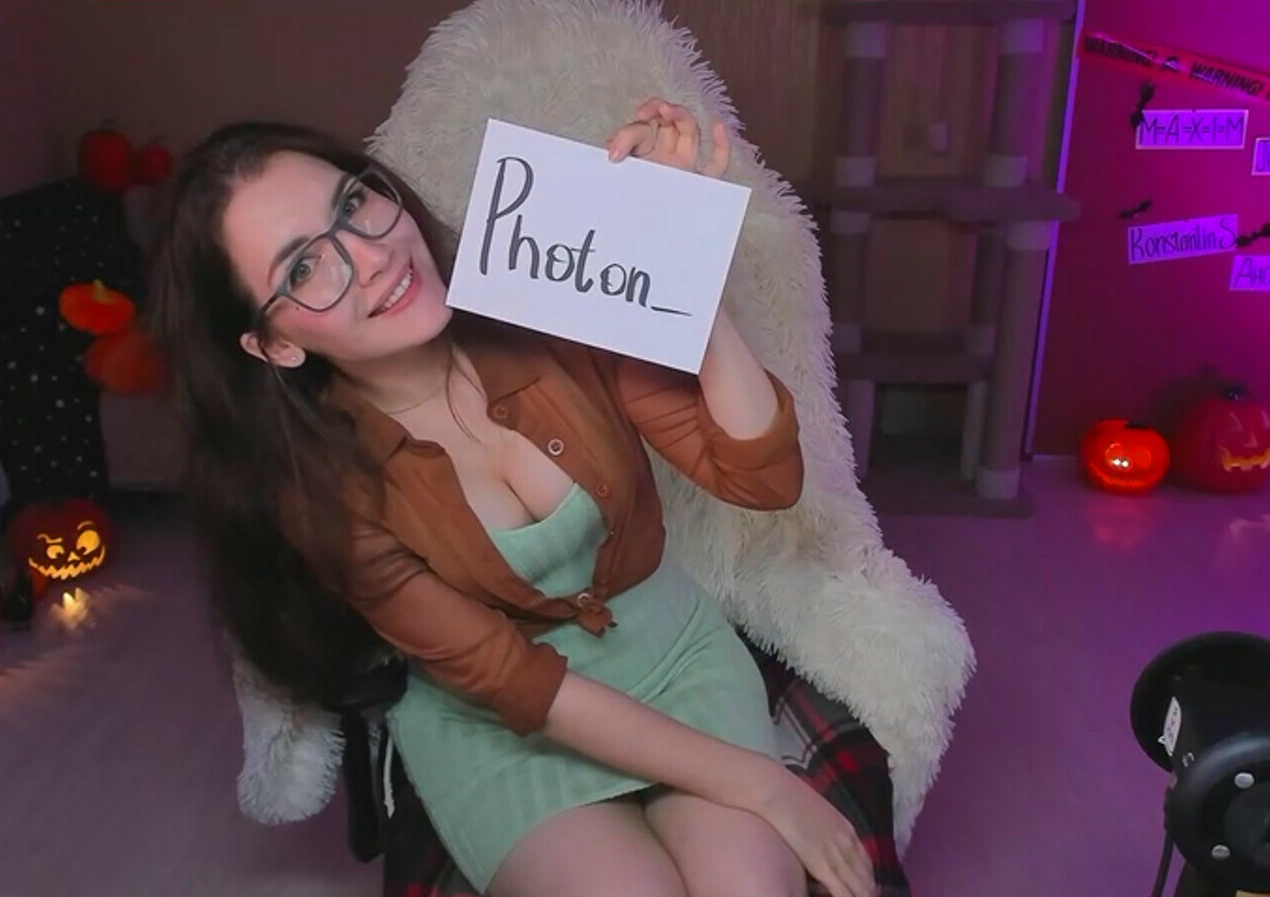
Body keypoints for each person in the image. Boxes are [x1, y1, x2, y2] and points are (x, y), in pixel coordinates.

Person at [147, 98, 876, 897]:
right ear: (276, 343)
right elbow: (521, 684)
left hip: (676, 658)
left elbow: (762, 480)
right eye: (303, 269)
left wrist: (680, 257)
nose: (372, 256)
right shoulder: (324, 495)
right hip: (508, 726)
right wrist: (764, 784)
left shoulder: (546, 297)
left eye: (353, 203)